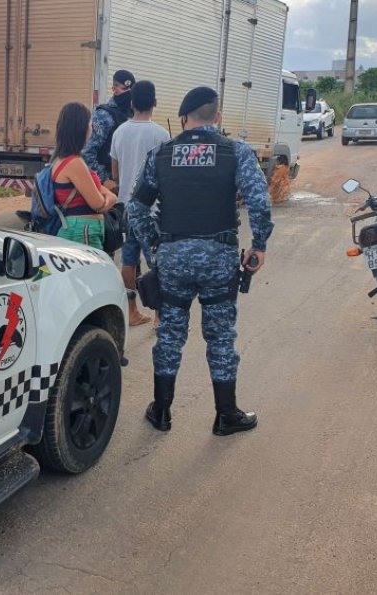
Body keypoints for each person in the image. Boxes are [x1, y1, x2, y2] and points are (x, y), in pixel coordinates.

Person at [128, 87, 274, 435]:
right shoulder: (235, 151)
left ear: (183, 119)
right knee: (221, 337)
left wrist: (154, 249)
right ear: (217, 117)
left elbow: (136, 208)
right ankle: (226, 415)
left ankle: (161, 411)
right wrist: (259, 245)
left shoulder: (161, 154)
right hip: (219, 259)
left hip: (173, 260)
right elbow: (259, 202)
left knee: (170, 334)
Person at [110, 80, 170, 327]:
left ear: (132, 102)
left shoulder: (120, 132)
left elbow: (115, 174)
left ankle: (132, 311)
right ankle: (159, 316)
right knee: (156, 262)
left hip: (125, 208)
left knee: (128, 260)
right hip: (152, 211)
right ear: (154, 103)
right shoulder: (161, 135)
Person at [52, 102, 118, 249]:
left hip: (79, 230)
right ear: (80, 128)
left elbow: (96, 189)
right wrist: (111, 198)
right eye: (89, 124)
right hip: (83, 233)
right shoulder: (75, 163)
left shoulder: (62, 159)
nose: (91, 128)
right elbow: (98, 204)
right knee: (91, 272)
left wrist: (102, 192)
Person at [82, 69, 136, 191]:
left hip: (126, 183)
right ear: (114, 89)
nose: (128, 94)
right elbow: (87, 152)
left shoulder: (132, 115)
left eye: (130, 91)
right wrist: (104, 179)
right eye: (124, 90)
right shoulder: (104, 115)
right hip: (105, 185)